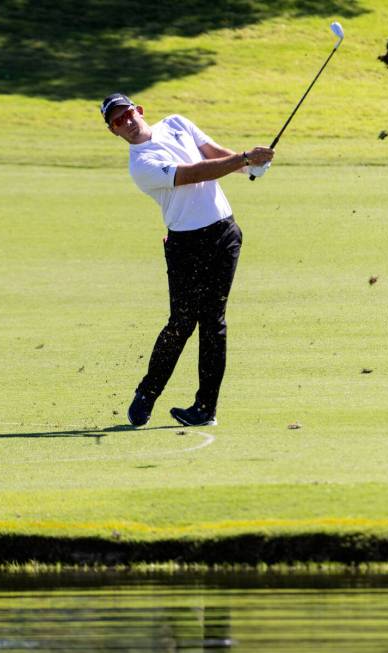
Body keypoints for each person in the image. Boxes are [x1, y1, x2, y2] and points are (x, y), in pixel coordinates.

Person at [100, 92, 274, 427]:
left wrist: (252, 166)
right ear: (114, 132)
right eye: (117, 122)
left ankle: (205, 409)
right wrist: (243, 160)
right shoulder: (140, 166)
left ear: (139, 110)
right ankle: (147, 393)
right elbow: (194, 173)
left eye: (127, 114)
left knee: (213, 322)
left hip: (225, 234)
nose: (126, 122)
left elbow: (214, 154)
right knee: (181, 323)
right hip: (186, 244)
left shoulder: (177, 123)